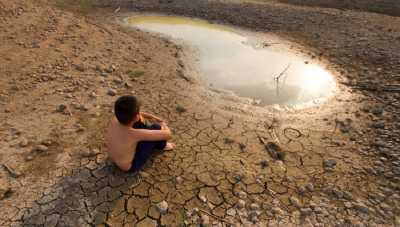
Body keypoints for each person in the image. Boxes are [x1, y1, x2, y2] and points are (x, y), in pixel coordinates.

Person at [106, 95, 175, 172]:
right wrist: (163, 124)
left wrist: (151, 116)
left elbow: (137, 115)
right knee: (156, 127)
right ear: (136, 116)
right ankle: (162, 146)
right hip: (130, 166)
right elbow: (168, 134)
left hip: (114, 159)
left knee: (139, 122)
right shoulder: (135, 134)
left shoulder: (115, 119)